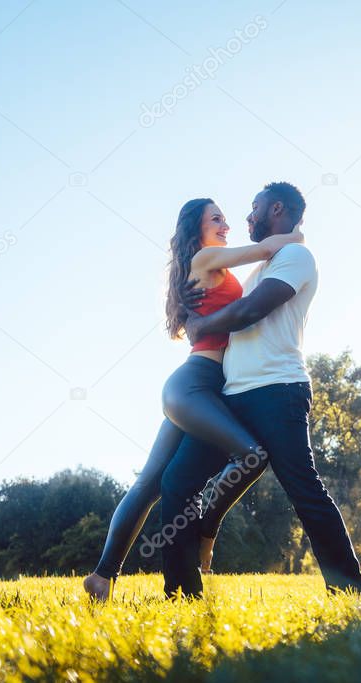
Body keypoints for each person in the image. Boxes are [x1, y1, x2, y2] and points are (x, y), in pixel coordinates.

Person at [83, 198, 299, 600]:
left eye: (224, 219)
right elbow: (267, 249)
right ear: (195, 229)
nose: (225, 225)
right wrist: (297, 234)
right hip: (194, 384)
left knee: (151, 484)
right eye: (216, 218)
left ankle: (101, 578)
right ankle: (204, 531)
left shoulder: (206, 262)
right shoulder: (206, 258)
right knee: (251, 454)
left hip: (202, 387)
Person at [160, 181, 361, 597]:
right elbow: (223, 298)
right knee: (177, 483)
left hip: (278, 389)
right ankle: (181, 592)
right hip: (232, 395)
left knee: (304, 490)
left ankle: (348, 593)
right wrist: (190, 306)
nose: (246, 218)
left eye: (253, 209)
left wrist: (199, 325)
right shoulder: (258, 267)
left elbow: (252, 310)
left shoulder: (295, 255)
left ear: (276, 209)